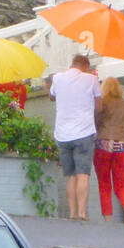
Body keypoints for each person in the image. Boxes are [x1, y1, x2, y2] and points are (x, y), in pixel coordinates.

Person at [46, 54, 101, 221]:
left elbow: (51, 97)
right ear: (85, 66)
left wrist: (47, 86)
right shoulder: (91, 79)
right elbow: (99, 107)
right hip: (84, 132)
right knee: (83, 174)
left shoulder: (57, 78)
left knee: (70, 175)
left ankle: (72, 213)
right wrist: (96, 125)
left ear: (72, 64)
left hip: (62, 134)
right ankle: (82, 214)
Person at [94, 77, 124, 223]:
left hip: (103, 145)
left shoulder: (102, 103)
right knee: (121, 185)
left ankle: (108, 219)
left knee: (104, 184)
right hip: (122, 146)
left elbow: (96, 123)